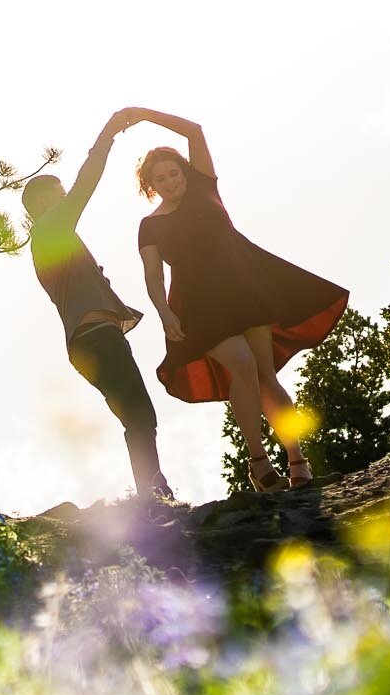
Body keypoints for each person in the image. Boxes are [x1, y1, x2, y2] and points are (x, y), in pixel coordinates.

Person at [126, 106, 348, 491]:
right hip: (199, 306)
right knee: (242, 365)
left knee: (264, 374)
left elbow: (194, 131)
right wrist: (164, 313)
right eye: (159, 178)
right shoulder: (150, 226)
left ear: (184, 172)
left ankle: (297, 460)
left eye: (174, 173)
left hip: (243, 288)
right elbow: (152, 275)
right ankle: (259, 463)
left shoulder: (204, 187)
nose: (169, 181)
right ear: (150, 186)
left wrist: (145, 115)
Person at [20, 110, 174, 501]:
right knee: (140, 414)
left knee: (136, 415)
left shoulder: (57, 240)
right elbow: (87, 181)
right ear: (43, 203)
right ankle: (153, 495)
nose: (66, 196)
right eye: (59, 193)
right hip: (95, 338)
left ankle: (152, 491)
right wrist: (108, 133)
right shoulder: (51, 229)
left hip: (91, 340)